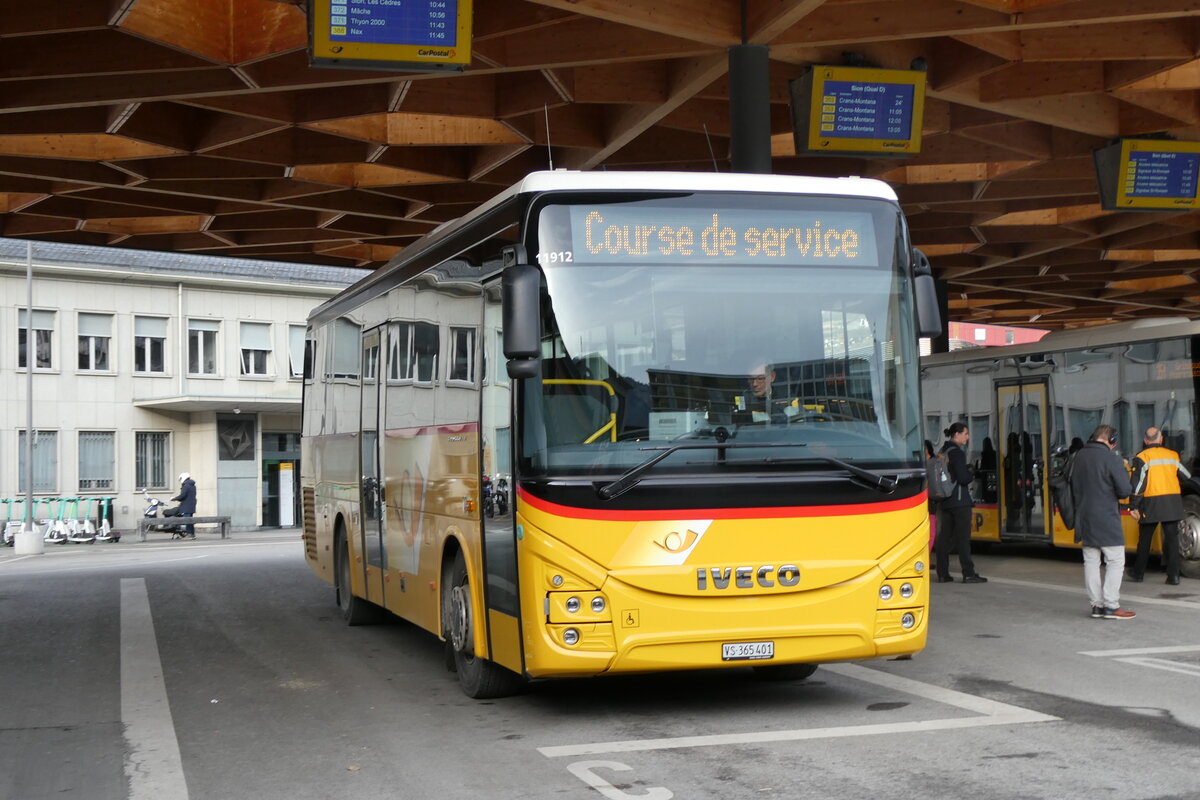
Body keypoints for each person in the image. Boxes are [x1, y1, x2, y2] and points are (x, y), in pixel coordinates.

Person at [1070, 425, 1135, 619]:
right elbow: (1125, 490)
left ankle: (1097, 606)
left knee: (1091, 561)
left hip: (1084, 517)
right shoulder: (1111, 459)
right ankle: (1111, 605)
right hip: (1106, 518)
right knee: (1115, 560)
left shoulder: (1078, 457)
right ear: (1111, 440)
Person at [1128, 427, 1190, 585]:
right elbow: (1186, 476)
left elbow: (1138, 484)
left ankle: (1138, 573)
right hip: (1172, 502)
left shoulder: (1142, 457)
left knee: (1145, 539)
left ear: (1145, 440)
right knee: (1172, 540)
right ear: (1161, 439)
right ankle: (1173, 576)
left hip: (1151, 503)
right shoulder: (1173, 455)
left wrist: (1133, 505)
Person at [935, 422, 986, 584]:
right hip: (959, 501)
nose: (968, 437)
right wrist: (971, 472)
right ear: (957, 434)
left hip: (945, 501)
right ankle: (968, 573)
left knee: (944, 538)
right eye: (965, 433)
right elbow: (963, 478)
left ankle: (942, 573)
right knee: (963, 539)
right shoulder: (957, 453)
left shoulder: (942, 451)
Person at [172, 472, 197, 539]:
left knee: (187, 521)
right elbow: (188, 496)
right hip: (191, 505)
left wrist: (174, 498)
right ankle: (192, 534)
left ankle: (189, 534)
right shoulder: (193, 485)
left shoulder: (186, 486)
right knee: (190, 521)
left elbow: (183, 496)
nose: (180, 481)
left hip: (186, 506)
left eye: (180, 479)